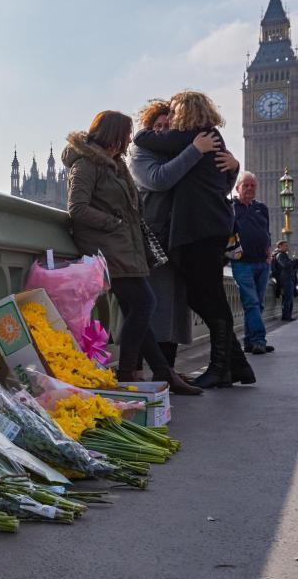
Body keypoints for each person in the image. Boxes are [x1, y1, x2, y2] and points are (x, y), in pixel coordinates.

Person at [63, 110, 201, 395]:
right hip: (108, 250)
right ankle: (127, 372)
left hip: (125, 248)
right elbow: (77, 208)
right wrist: (114, 223)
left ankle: (163, 373)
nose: (129, 139)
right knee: (144, 304)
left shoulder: (114, 165)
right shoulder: (87, 163)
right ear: (113, 133)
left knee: (137, 309)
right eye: (126, 133)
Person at [133, 90, 255, 388]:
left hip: (200, 230)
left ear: (185, 112)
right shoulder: (206, 140)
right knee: (206, 296)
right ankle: (236, 365)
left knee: (206, 297)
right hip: (202, 230)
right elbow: (221, 182)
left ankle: (223, 368)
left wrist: (233, 166)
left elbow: (141, 138)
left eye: (173, 114)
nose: (169, 123)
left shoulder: (194, 137)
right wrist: (234, 168)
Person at [232, 172, 274, 354]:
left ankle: (250, 341)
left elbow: (267, 231)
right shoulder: (231, 208)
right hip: (242, 263)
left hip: (263, 263)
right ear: (237, 188)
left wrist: (269, 250)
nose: (249, 188)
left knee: (259, 303)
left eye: (252, 186)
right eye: (246, 185)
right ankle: (259, 339)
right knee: (251, 302)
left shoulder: (262, 208)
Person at [271, 240, 298, 320]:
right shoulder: (280, 255)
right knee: (288, 298)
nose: (287, 247)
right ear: (280, 246)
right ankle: (286, 316)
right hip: (285, 280)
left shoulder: (282, 255)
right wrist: (294, 261)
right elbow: (285, 265)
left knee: (287, 298)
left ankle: (287, 315)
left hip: (286, 279)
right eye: (285, 245)